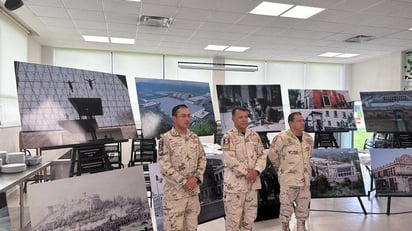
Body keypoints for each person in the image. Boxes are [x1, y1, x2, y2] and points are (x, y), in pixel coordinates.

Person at [158, 104, 206, 231]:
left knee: (192, 228)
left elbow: (202, 158)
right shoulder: (166, 139)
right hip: (175, 196)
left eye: (188, 116)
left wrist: (195, 178)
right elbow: (164, 165)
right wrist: (184, 181)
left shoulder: (194, 138)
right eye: (183, 116)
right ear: (174, 118)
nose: (187, 119)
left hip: (192, 194)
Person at [221, 106, 267, 231]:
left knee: (249, 219)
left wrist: (256, 171)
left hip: (252, 185)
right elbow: (230, 158)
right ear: (233, 119)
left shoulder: (254, 135)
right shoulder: (227, 137)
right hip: (235, 187)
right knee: (233, 220)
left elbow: (262, 155)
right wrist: (248, 173)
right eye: (240, 117)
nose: (244, 120)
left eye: (246, 117)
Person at [268, 112, 314, 231]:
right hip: (288, 180)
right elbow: (273, 156)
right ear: (291, 123)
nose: (302, 123)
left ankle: (301, 226)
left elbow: (309, 156)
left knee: (303, 207)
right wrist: (283, 170)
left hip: (304, 180)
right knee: (286, 208)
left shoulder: (308, 138)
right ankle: (285, 227)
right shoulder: (281, 138)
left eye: (303, 120)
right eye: (299, 120)